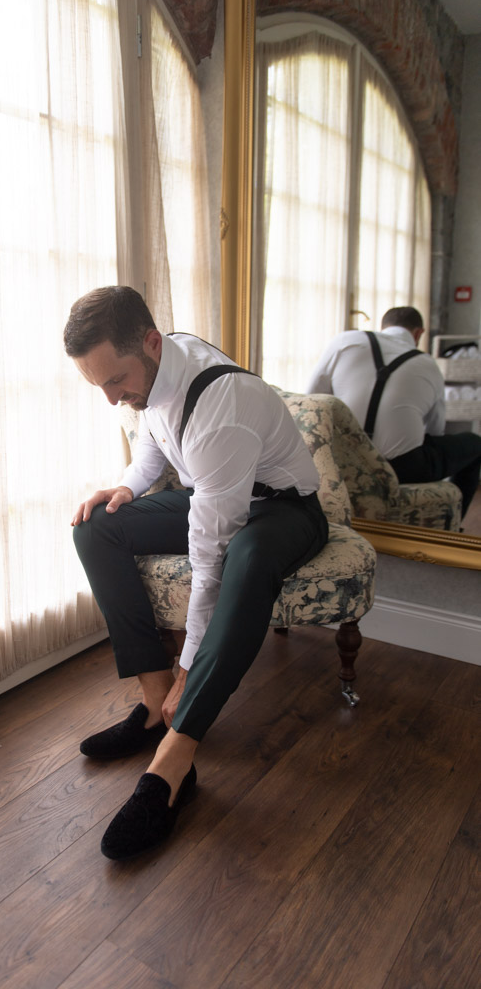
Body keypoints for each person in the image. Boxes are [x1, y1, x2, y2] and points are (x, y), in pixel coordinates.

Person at [64, 285, 328, 860]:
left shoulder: (220, 408)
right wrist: (129, 487)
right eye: (99, 385)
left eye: (115, 381)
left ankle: (174, 759)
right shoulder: (158, 368)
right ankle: (154, 700)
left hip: (286, 508)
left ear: (151, 344)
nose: (111, 399)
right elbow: (157, 440)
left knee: (245, 560)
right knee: (97, 525)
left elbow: (210, 555)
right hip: (216, 488)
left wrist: (190, 666)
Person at [306, 306, 481, 518]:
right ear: (419, 334)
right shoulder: (429, 364)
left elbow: (312, 399)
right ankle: (454, 525)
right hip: (400, 468)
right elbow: (435, 429)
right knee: (475, 444)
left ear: (383, 327)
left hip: (340, 460)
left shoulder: (346, 341)